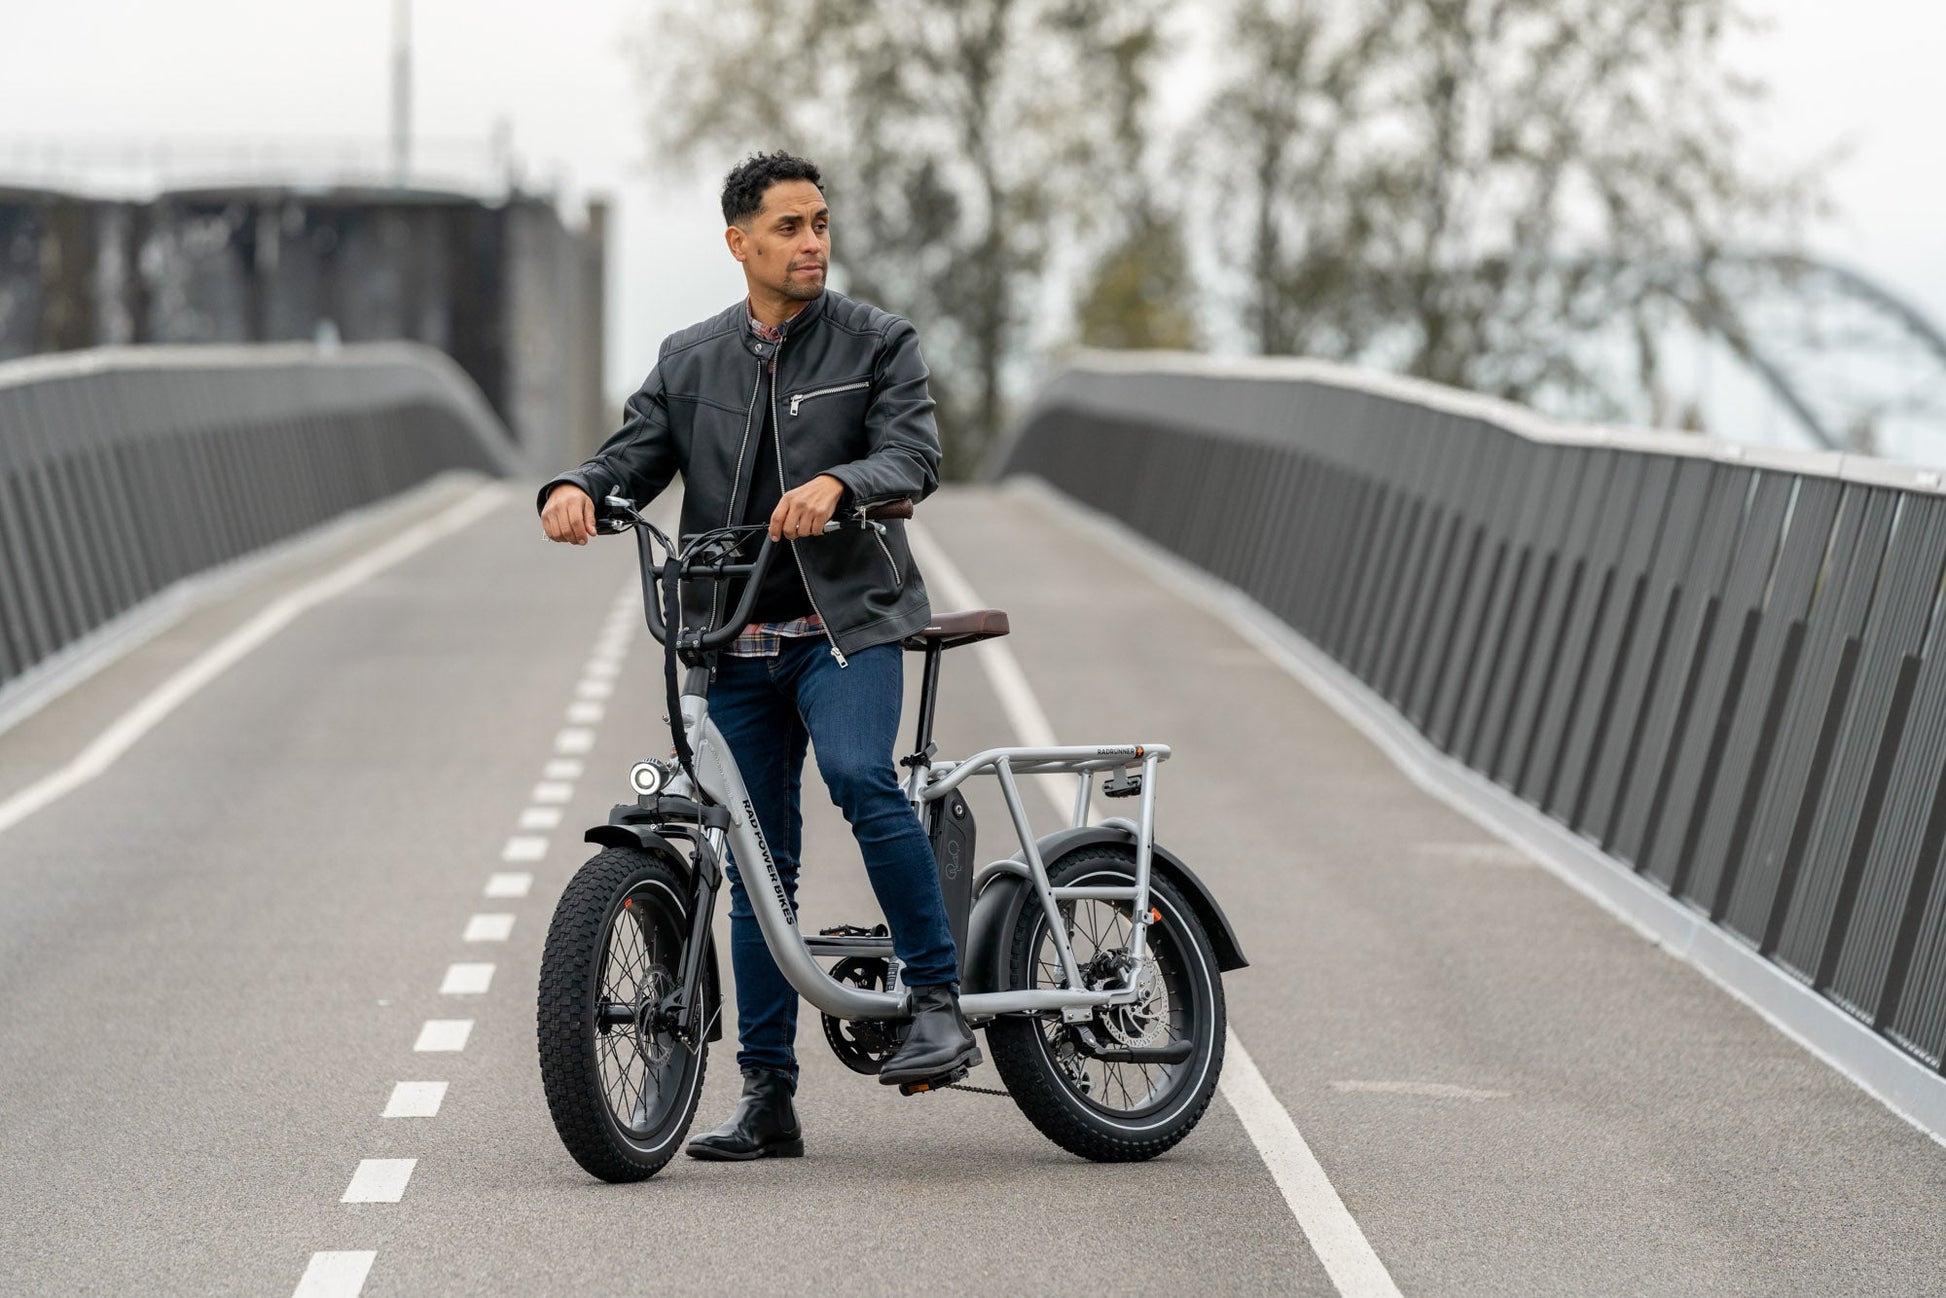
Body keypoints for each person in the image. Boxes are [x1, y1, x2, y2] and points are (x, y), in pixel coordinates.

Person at [537, 151, 976, 1161]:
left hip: (843, 624)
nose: (812, 241)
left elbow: (913, 455)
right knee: (752, 858)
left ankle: (937, 996)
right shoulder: (691, 358)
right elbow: (632, 456)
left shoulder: (878, 343)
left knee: (864, 776)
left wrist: (839, 482)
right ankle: (766, 1094)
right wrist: (574, 488)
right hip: (729, 636)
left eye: (820, 222)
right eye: (788, 226)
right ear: (739, 243)